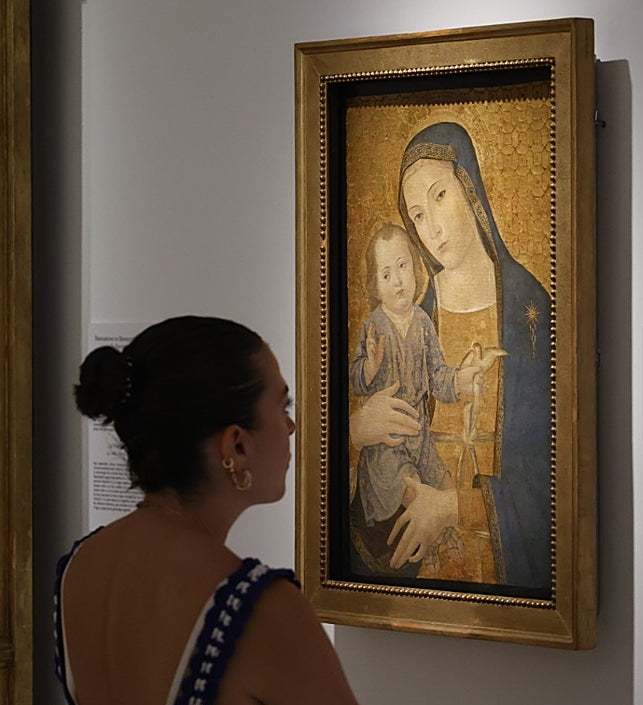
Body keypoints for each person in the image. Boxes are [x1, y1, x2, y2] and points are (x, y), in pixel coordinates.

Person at [55, 316, 358, 705]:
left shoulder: (80, 567)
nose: (291, 425)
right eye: (282, 405)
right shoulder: (264, 612)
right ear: (236, 446)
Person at [351, 121, 552, 594]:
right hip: (424, 571)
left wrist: (452, 507)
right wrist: (357, 430)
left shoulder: (531, 312)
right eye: (417, 215)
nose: (432, 228)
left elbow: (554, 481)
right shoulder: (414, 317)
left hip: (507, 575)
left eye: (440, 196)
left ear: (470, 189)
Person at [348, 224, 480, 578]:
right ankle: (430, 548)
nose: (398, 281)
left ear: (416, 268)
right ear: (375, 286)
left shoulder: (423, 323)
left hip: (419, 438)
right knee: (410, 486)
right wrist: (369, 365)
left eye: (403, 267)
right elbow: (355, 381)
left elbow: (438, 377)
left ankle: (447, 533)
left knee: (442, 478)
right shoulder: (374, 326)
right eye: (387, 274)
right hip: (386, 448)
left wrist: (461, 380)